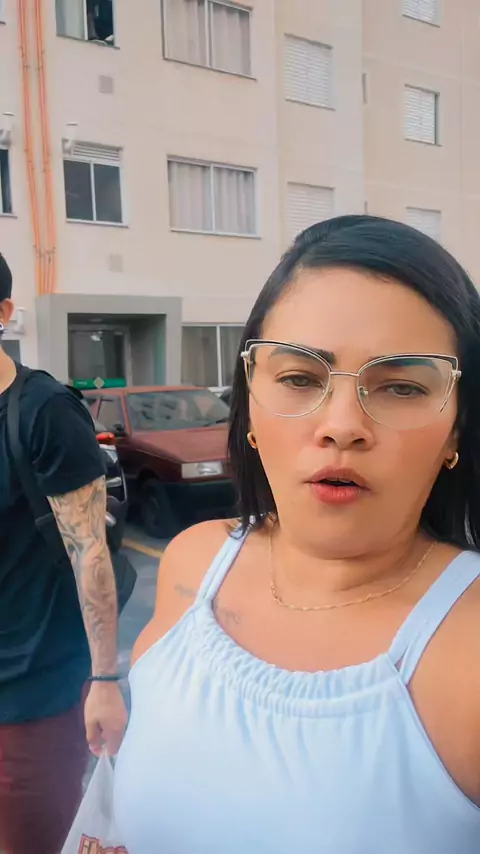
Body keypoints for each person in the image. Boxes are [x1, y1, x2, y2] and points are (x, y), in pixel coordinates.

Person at [113, 216, 480, 852]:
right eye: (300, 378)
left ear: (456, 426)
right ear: (249, 404)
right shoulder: (193, 564)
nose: (341, 425)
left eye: (400, 386)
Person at [0, 253, 127, 854]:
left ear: (3, 313)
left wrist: (104, 679)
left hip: (33, 694)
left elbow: (89, 552)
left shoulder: (44, 411)